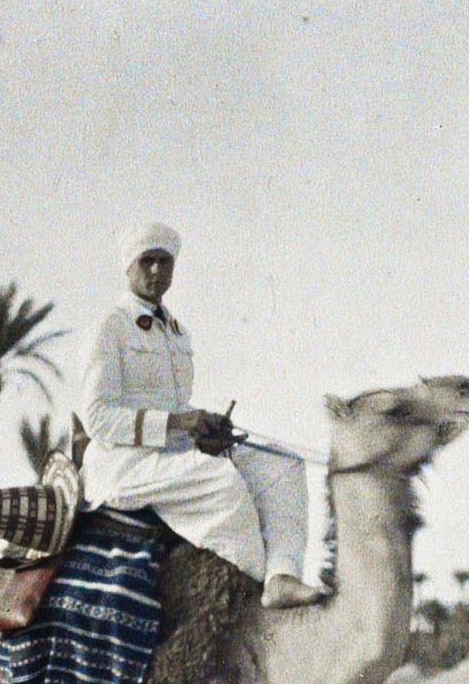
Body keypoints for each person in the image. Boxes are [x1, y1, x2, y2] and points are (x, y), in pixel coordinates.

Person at [73, 221, 325, 608]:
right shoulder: (111, 327)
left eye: (165, 262)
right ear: (128, 267)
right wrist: (178, 424)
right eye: (147, 261)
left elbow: (175, 408)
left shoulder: (176, 331)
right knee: (222, 483)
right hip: (122, 464)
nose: (157, 271)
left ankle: (281, 577)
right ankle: (251, 597)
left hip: (171, 456)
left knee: (283, 466)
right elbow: (97, 418)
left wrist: (201, 427)